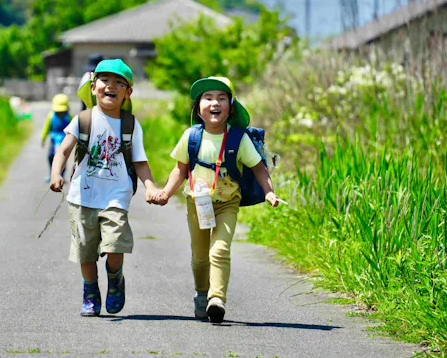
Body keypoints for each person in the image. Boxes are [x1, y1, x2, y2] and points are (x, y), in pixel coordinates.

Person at [150, 76, 280, 323]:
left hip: (227, 203)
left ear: (231, 107)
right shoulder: (191, 136)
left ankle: (216, 298)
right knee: (200, 258)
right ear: (198, 108)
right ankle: (201, 293)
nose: (214, 103)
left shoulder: (238, 138)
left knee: (219, 250)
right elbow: (180, 169)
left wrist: (269, 191)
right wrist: (166, 193)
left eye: (221, 98)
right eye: (207, 98)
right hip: (197, 203)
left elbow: (259, 168)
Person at [49, 59, 161, 317]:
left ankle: (115, 278)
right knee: (85, 252)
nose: (110, 86)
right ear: (93, 86)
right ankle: (90, 293)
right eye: (104, 81)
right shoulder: (83, 120)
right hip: (82, 197)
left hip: (115, 198)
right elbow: (63, 150)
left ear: (127, 92)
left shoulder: (131, 125)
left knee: (115, 245)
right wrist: (56, 174)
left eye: (118, 83)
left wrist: (150, 186)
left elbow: (140, 162)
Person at [40, 93, 72, 182]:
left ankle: (61, 176)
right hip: (53, 140)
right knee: (50, 157)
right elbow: (46, 127)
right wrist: (43, 138)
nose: (60, 112)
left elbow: (74, 129)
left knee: (63, 158)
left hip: (64, 140)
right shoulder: (51, 116)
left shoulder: (69, 117)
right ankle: (52, 174)